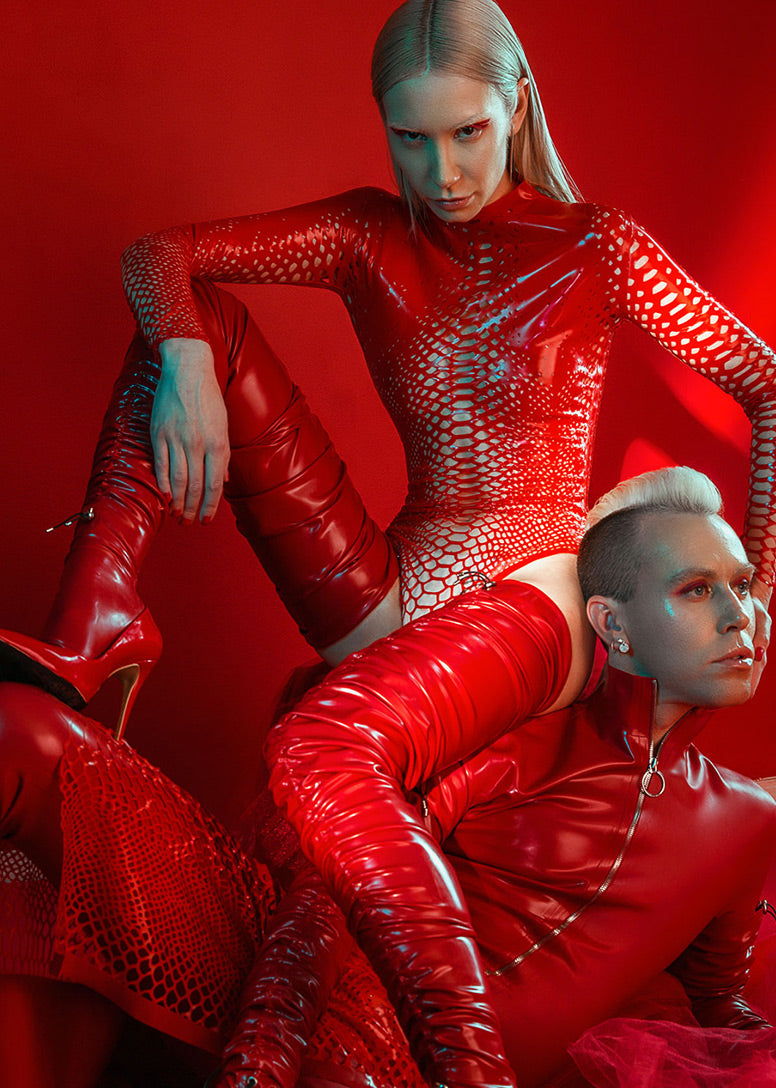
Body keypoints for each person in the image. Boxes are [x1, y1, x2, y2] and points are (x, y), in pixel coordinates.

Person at [266, 466, 776, 1088]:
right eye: (697, 589)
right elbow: (335, 881)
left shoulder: (751, 819)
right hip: (370, 1048)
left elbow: (717, 1005)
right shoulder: (521, 747)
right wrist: (267, 1051)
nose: (739, 615)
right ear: (612, 626)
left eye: (743, 585)